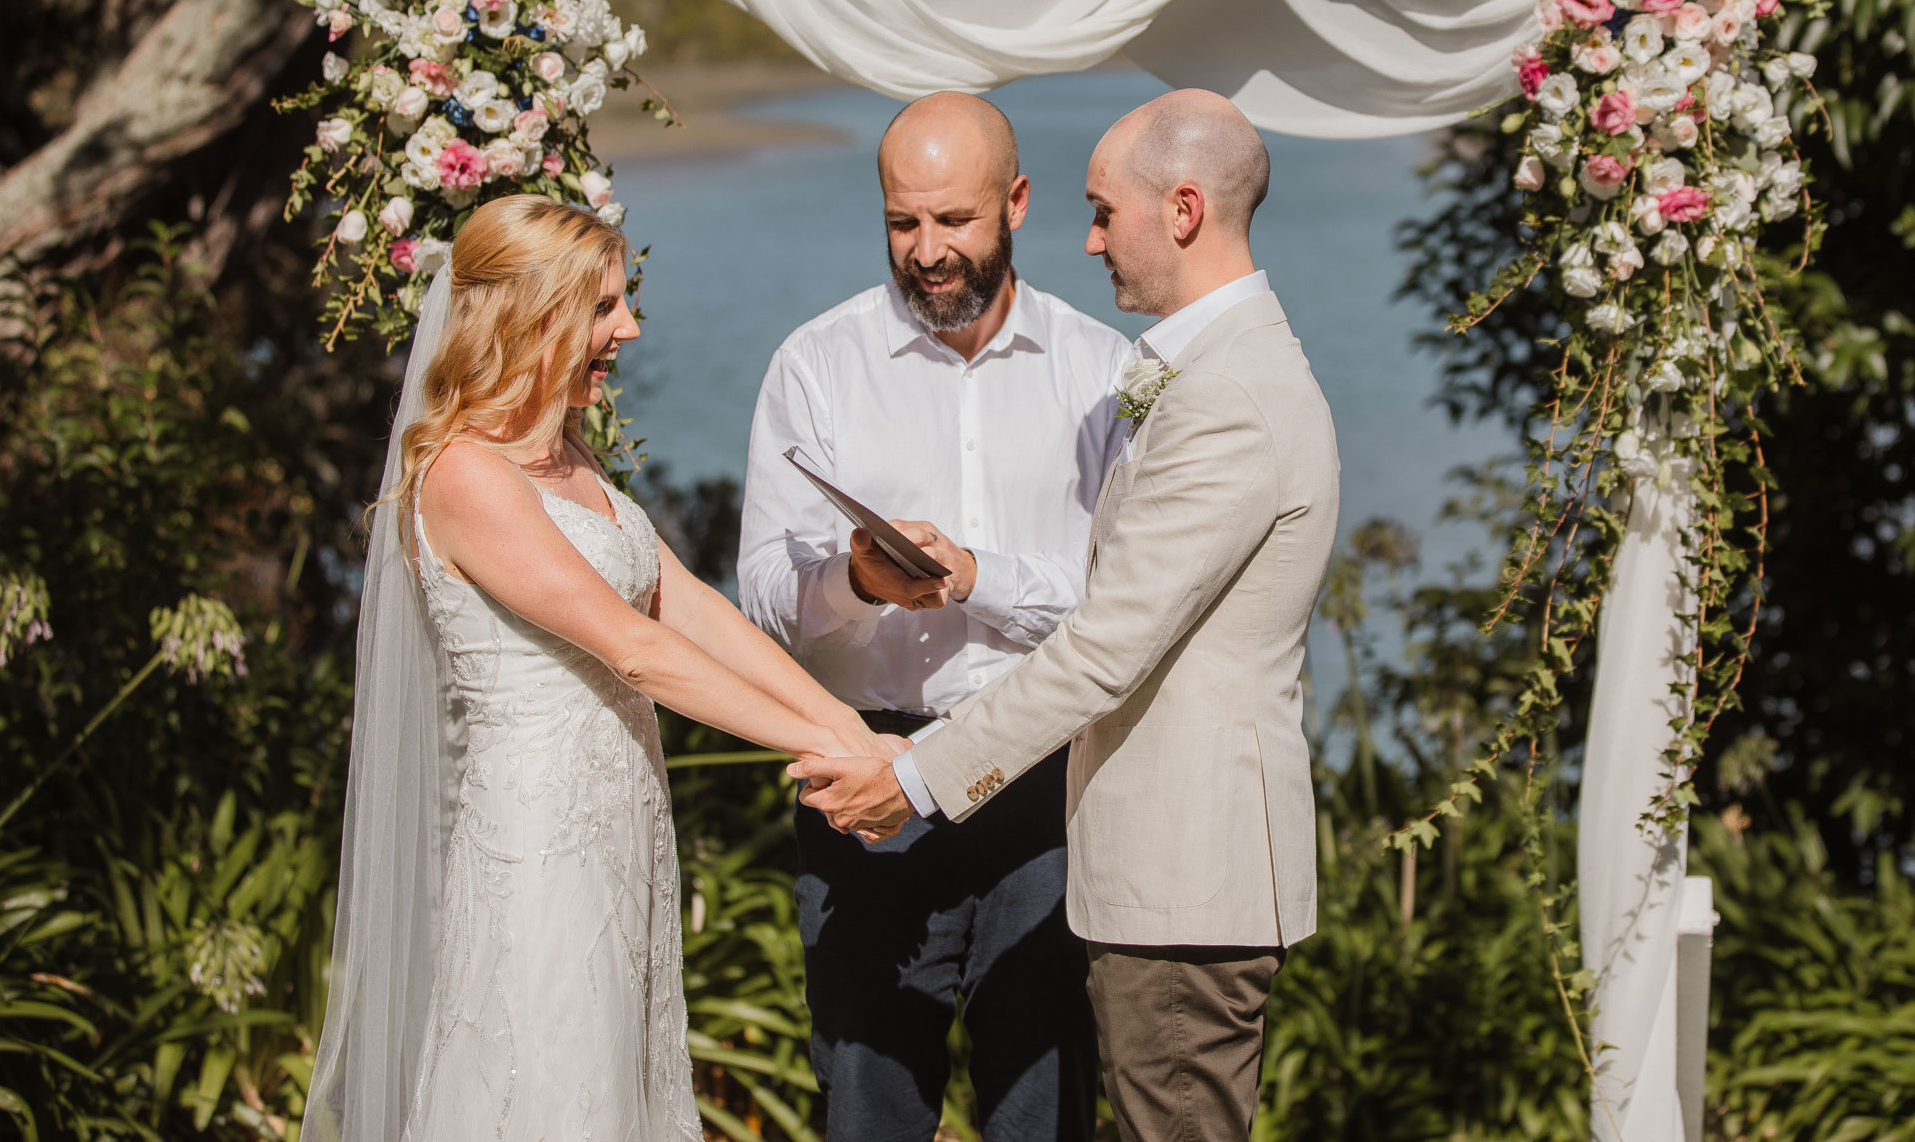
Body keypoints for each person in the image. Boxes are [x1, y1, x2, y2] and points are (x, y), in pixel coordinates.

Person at [792, 89, 1340, 1142]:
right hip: (1161, 877)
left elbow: (1103, 648)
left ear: (1181, 209)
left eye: (1101, 212)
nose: (1087, 242)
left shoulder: (1227, 396)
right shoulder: (1211, 372)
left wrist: (912, 777)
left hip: (1185, 879)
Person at [302, 195, 903, 1142]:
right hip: (537, 835)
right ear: (532, 314)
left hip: (619, 821)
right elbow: (635, 646)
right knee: (546, 1071)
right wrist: (831, 752)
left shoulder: (571, 459)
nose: (627, 327)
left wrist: (852, 731)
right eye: (603, 306)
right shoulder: (464, 476)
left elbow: (687, 606)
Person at [738, 92, 1133, 1141]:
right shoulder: (813, 366)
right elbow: (766, 605)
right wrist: (857, 583)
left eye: (953, 222)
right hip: (867, 782)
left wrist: (977, 576)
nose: (926, 252)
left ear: (1015, 202)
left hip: (1044, 785)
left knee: (1042, 1111)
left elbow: (1128, 609)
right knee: (866, 1110)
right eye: (901, 223)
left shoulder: (1104, 373)